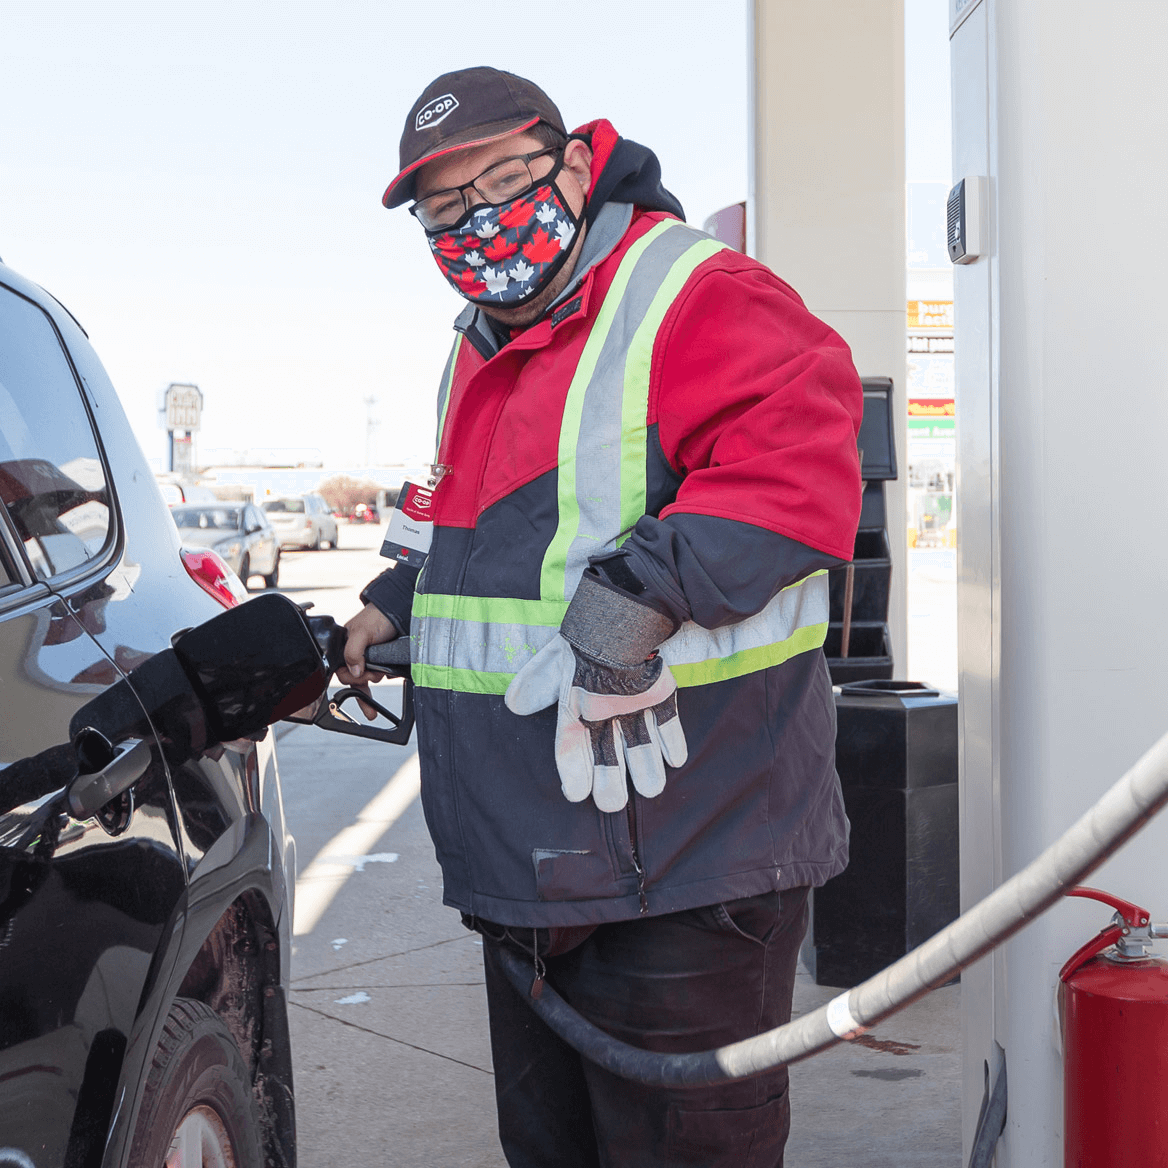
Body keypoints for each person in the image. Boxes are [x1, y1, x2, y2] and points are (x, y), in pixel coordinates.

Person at [340, 66, 863, 1168]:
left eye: (504, 178)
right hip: (528, 861)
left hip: (685, 858)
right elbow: (487, 525)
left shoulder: (685, 290)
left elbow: (796, 469)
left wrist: (632, 606)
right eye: (445, 209)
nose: (479, 220)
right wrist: (400, 602)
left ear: (575, 164)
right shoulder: (477, 340)